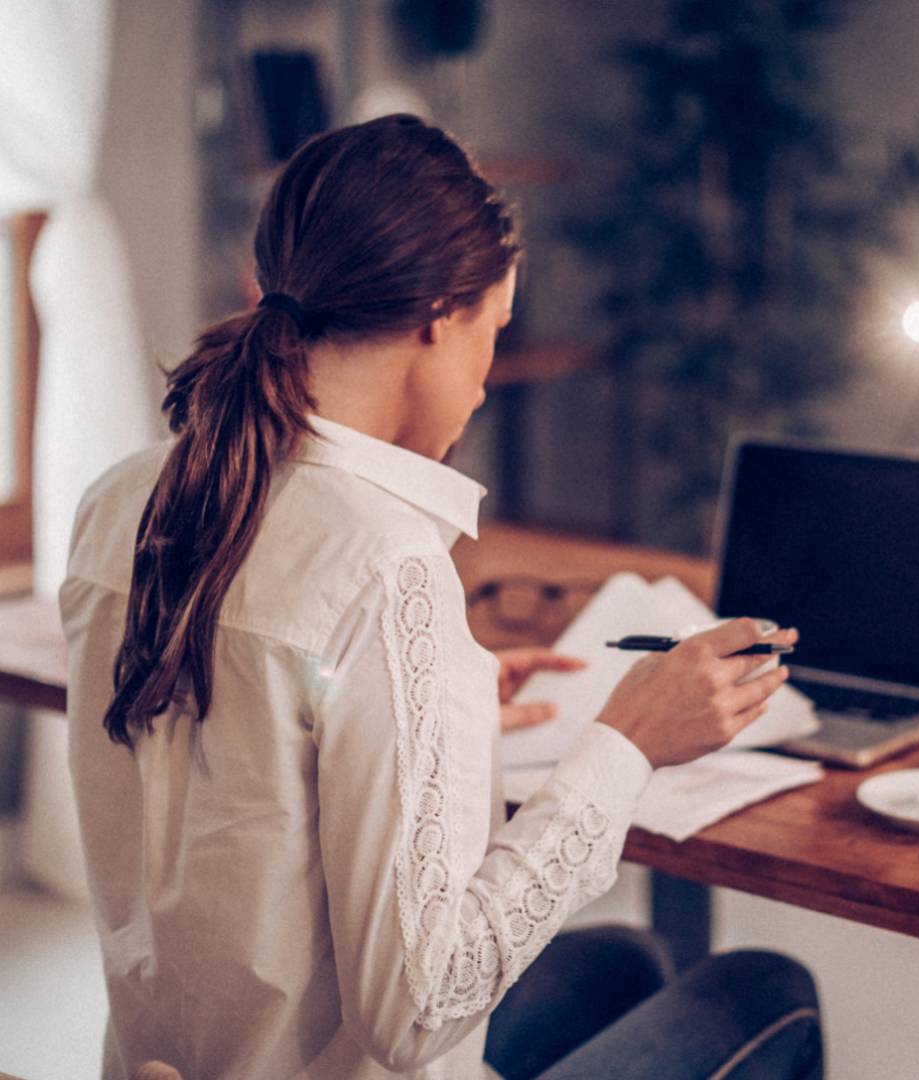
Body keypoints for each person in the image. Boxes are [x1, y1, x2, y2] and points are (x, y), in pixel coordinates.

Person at [61, 113, 823, 1080]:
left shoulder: (122, 497)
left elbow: (236, 743)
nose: (485, 385)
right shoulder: (383, 562)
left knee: (625, 961)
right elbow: (421, 1010)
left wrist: (433, 710)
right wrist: (627, 745)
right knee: (761, 991)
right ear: (437, 314)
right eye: (493, 335)